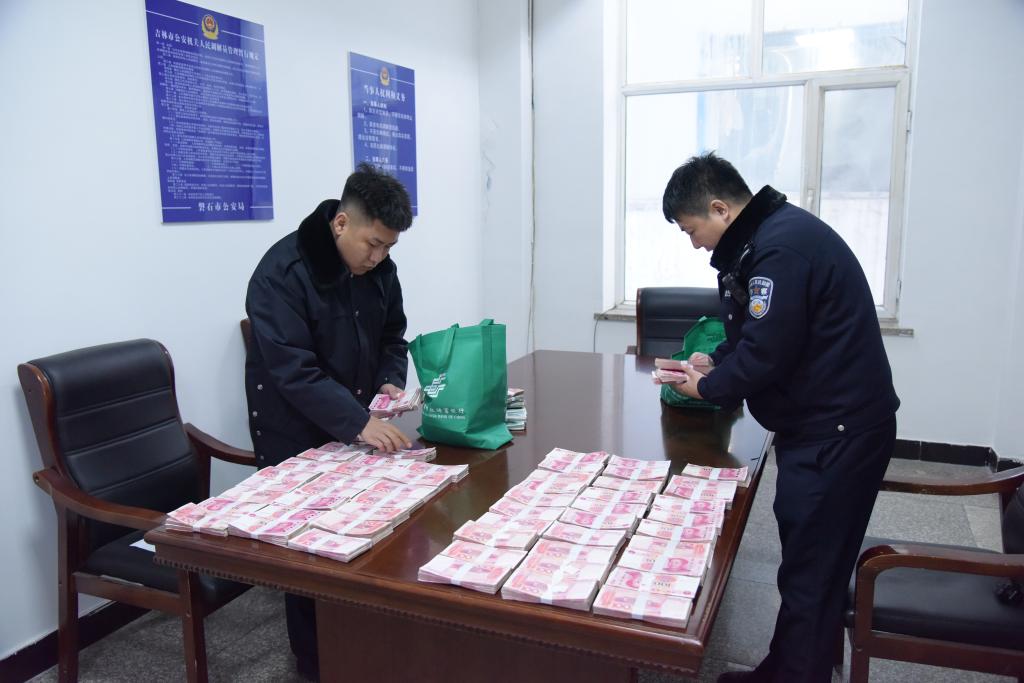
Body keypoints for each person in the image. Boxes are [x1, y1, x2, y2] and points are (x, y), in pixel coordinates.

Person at [661, 152, 899, 683]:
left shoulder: (779, 249)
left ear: (719, 209)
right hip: (825, 426)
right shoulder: (765, 239)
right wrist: (716, 360)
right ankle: (788, 669)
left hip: (837, 434)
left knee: (811, 572)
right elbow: (755, 335)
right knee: (807, 567)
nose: (695, 244)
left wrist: (708, 387)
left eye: (691, 230)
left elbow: (769, 351)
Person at [244, 162, 415, 679]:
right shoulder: (281, 274)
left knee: (368, 535)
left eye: (388, 247)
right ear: (341, 223)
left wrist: (389, 380)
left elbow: (392, 334)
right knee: (310, 553)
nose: (379, 257)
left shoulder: (379, 268)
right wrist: (356, 422)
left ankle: (369, 648)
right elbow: (294, 371)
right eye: (373, 244)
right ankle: (314, 662)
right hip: (294, 428)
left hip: (355, 419)